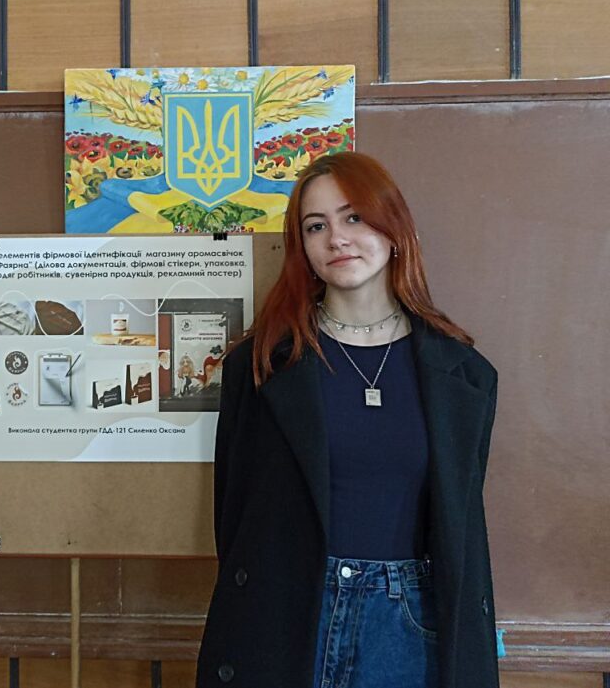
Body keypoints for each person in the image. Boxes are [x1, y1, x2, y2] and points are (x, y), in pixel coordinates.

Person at [197, 152, 499, 688]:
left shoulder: (465, 374)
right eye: (316, 226)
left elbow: (461, 527)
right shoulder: (261, 364)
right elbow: (235, 514)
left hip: (408, 622)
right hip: (288, 613)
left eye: (354, 217)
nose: (337, 238)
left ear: (393, 228)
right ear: (302, 247)